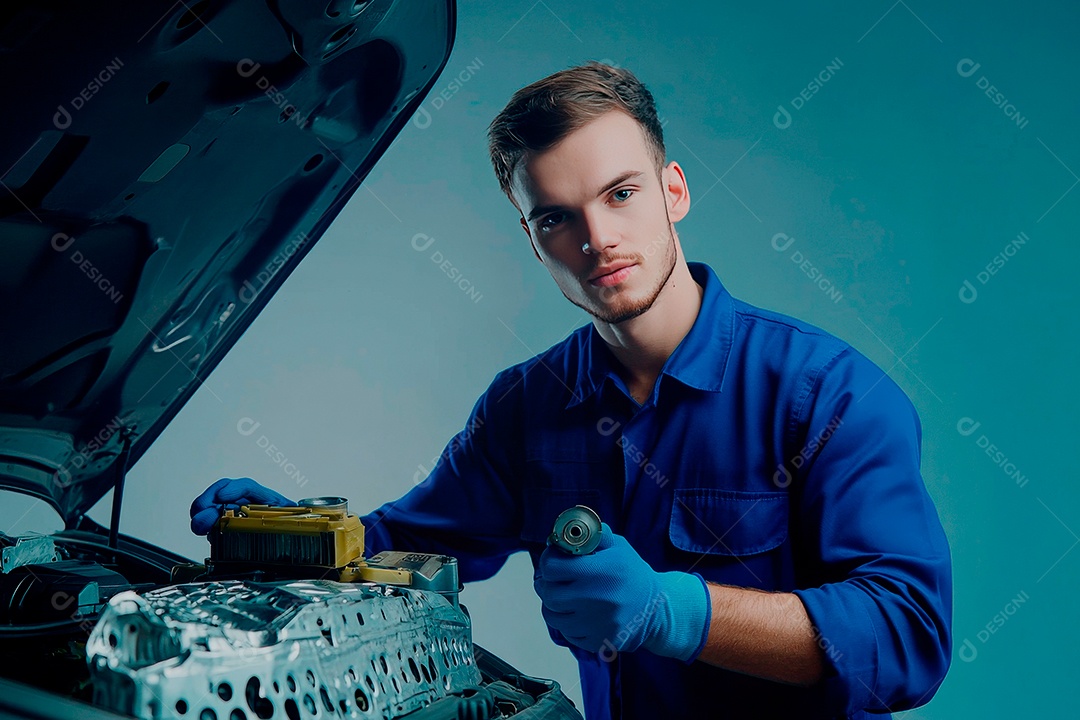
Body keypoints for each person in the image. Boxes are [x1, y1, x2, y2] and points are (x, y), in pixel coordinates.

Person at [191, 61, 952, 718]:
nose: (596, 240)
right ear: (533, 238)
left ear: (674, 190)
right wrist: (298, 539)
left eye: (620, 194)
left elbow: (908, 636)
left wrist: (675, 613)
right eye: (558, 217)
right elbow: (405, 552)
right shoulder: (526, 409)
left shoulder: (828, 396)